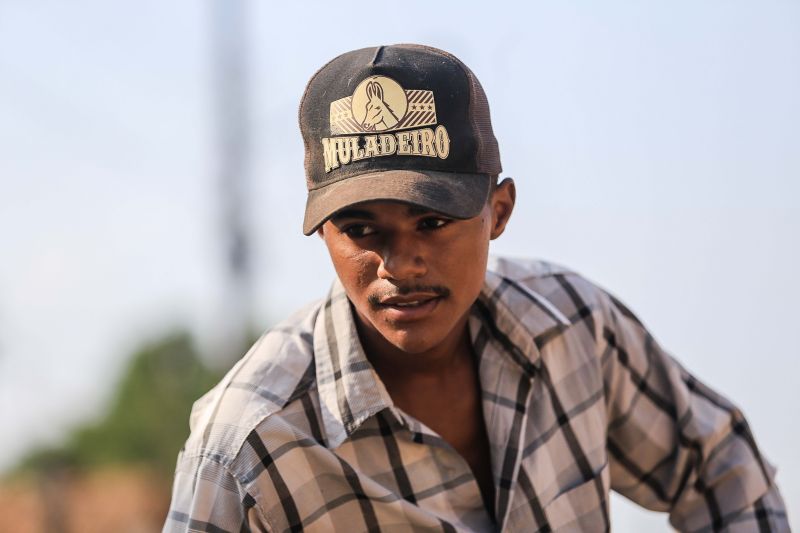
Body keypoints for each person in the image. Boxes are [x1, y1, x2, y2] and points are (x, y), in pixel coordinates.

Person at [163, 44, 788, 532]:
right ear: (324, 232)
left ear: (499, 211)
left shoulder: (571, 327)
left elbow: (722, 469)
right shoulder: (252, 442)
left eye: (432, 222)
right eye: (360, 229)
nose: (401, 264)